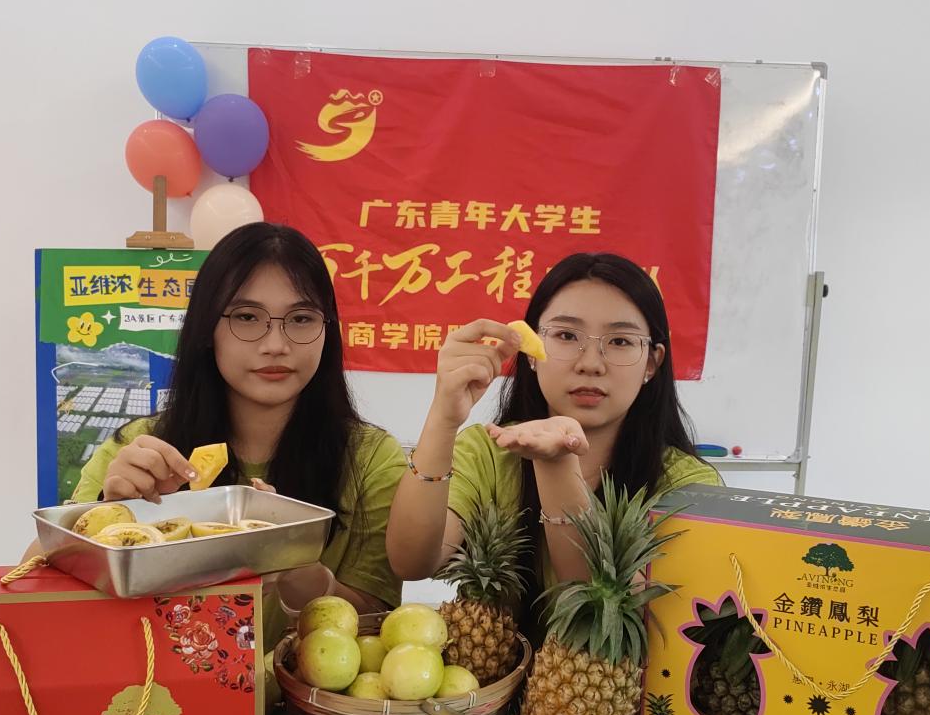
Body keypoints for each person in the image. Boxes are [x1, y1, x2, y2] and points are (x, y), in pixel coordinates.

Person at [69, 222, 405, 651]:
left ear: (327, 331)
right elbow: (31, 576)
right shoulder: (141, 447)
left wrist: (298, 568)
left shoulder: (371, 459)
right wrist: (109, 520)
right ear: (207, 329)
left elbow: (380, 630)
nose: (275, 344)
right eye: (247, 317)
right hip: (157, 688)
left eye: (301, 319)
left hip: (304, 696)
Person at [386, 251, 720, 634]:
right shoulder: (488, 451)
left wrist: (557, 465)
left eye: (620, 341)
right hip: (492, 672)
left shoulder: (690, 488)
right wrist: (443, 418)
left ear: (651, 362)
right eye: (566, 336)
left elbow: (616, 623)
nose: (590, 363)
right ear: (531, 351)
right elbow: (411, 562)